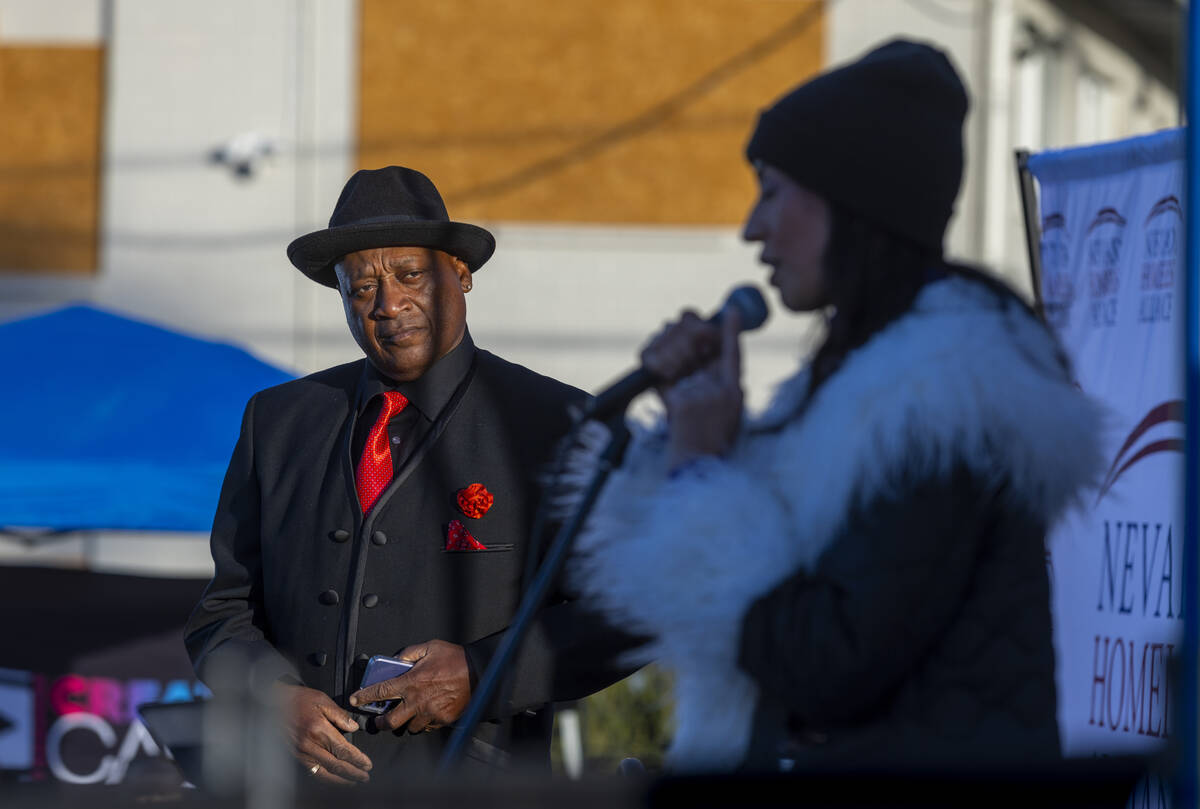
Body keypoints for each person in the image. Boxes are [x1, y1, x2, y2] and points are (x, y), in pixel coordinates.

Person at [568, 40, 1104, 772]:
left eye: (771, 190)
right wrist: (688, 436)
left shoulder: (941, 395)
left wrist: (700, 475)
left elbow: (823, 662)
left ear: (852, 198)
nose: (752, 229)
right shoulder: (860, 380)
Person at [185, 166, 630, 783]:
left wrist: (481, 671)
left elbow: (626, 610)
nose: (388, 305)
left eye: (410, 275)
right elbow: (222, 613)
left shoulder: (559, 424)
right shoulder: (279, 421)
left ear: (462, 273)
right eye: (361, 287)